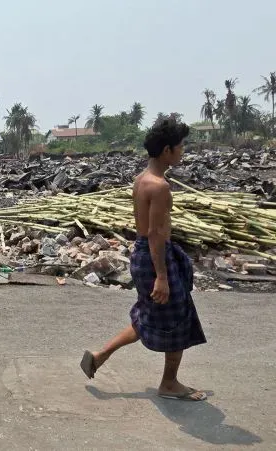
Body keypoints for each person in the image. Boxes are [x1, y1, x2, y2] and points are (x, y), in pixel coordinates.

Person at [80, 118, 207, 401]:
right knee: (179, 317)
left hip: (142, 254)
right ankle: (169, 383)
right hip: (154, 257)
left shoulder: (141, 179)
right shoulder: (159, 186)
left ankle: (100, 356)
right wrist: (162, 276)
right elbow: (155, 233)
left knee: (148, 314)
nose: (183, 151)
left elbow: (148, 233)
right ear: (166, 151)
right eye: (181, 146)